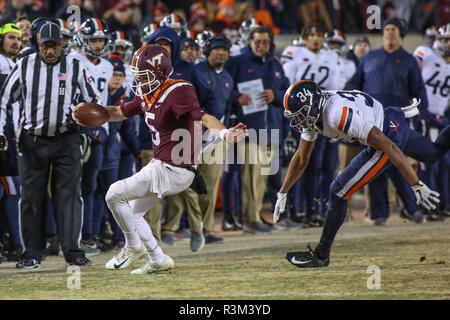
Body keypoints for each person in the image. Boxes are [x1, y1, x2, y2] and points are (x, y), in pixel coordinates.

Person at [72, 45, 248, 274]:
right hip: (163, 165)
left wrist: (225, 133)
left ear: (160, 73)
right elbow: (118, 112)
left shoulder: (179, 90)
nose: (139, 82)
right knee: (132, 213)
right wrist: (91, 112)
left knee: (114, 194)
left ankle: (133, 247)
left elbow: (203, 118)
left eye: (143, 76)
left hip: (175, 168)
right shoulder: (148, 92)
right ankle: (157, 259)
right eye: (137, 76)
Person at [273, 80, 449, 268]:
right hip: (390, 118)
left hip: (387, 134)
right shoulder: (317, 108)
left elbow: (388, 145)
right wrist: (283, 192)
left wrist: (416, 183)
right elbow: (301, 158)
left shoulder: (336, 115)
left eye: (300, 115)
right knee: (434, 152)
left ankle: (322, 254)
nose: (298, 121)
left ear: (313, 105)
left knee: (338, 191)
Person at [0, 21, 102, 268]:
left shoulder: (75, 66)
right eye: (45, 46)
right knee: (31, 199)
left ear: (62, 44)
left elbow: (93, 101)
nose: (50, 51)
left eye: (54, 46)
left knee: (69, 197)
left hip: (66, 139)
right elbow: (4, 101)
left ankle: (74, 253)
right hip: (32, 141)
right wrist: (1, 130)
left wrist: (79, 116)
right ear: (37, 43)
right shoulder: (25, 65)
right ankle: (32, 254)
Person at [349, 18, 433, 225]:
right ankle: (381, 213)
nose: (389, 33)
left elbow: (419, 94)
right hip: (370, 122)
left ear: (401, 33)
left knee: (395, 164)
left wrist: (419, 116)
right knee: (374, 166)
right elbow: (354, 89)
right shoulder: (369, 57)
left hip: (395, 123)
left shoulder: (409, 60)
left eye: (393, 29)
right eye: (386, 29)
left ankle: (411, 208)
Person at [226, 25, 289, 234]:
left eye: (265, 42)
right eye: (258, 42)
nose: (262, 46)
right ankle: (249, 219)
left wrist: (276, 95)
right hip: (248, 127)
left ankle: (255, 216)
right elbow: (224, 88)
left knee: (263, 176)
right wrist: (237, 97)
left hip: (271, 126)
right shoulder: (237, 62)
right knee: (251, 175)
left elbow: (288, 92)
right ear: (249, 42)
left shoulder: (275, 64)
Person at [282, 23, 340, 227]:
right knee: (301, 164)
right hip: (300, 116)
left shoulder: (331, 57)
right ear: (304, 38)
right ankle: (299, 209)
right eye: (312, 35)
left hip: (323, 114)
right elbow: (287, 88)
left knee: (321, 166)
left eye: (319, 35)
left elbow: (336, 88)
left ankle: (318, 208)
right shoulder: (294, 53)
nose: (315, 39)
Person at [413, 23, 450, 220]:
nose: (448, 43)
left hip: (441, 118)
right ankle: (427, 207)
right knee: (428, 163)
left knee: (444, 164)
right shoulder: (425, 54)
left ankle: (442, 204)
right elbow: (412, 74)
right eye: (445, 39)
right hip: (424, 116)